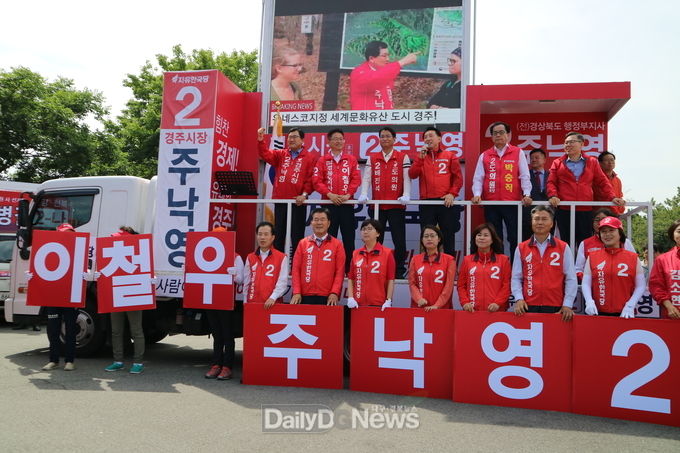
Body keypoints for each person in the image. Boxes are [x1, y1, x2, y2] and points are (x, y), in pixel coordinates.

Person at [547, 132, 625, 248]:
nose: (568, 145)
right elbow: (551, 182)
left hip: (586, 208)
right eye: (566, 143)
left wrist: (612, 197)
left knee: (585, 242)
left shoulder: (592, 162)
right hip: (564, 208)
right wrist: (553, 195)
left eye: (572, 142)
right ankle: (567, 266)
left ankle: (586, 266)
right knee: (565, 243)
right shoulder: (557, 163)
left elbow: (602, 182)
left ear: (582, 144)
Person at [471, 121, 532, 261]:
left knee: (515, 236)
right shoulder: (485, 155)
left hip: (512, 203)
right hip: (491, 203)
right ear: (491, 136)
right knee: (495, 237)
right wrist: (477, 195)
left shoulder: (517, 152)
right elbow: (478, 178)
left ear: (508, 135)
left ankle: (516, 267)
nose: (498, 135)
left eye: (501, 132)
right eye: (495, 133)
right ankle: (498, 266)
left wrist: (527, 194)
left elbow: (524, 175)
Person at [358, 126, 411, 278]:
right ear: (379, 139)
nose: (385, 139)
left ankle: (399, 270)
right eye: (382, 136)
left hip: (396, 206)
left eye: (388, 136)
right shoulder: (372, 157)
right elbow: (367, 178)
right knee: (375, 239)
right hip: (377, 206)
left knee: (399, 240)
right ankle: (374, 266)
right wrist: (363, 194)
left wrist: (406, 194)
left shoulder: (403, 157)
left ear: (395, 139)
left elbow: (406, 178)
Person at [257, 127, 318, 257]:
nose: (291, 139)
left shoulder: (310, 157)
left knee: (297, 236)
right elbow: (266, 154)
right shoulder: (281, 154)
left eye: (295, 137)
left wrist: (304, 195)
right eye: (289, 137)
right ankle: (278, 265)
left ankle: (297, 268)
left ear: (302, 140)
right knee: (279, 234)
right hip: (281, 201)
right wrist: (261, 141)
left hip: (298, 202)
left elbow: (311, 179)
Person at [512, 206, 577, 321]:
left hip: (556, 305)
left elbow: (571, 278)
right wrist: (519, 299)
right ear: (531, 222)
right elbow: (516, 277)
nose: (540, 222)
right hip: (528, 305)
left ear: (552, 223)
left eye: (544, 219)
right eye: (536, 219)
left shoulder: (563, 247)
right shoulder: (522, 247)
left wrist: (568, 304)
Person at [408, 126, 463, 257]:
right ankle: (425, 264)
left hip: (445, 202)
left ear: (439, 138)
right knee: (426, 236)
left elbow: (458, 178)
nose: (428, 139)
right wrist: (420, 158)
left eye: (430, 135)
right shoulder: (421, 157)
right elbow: (412, 174)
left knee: (448, 235)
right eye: (425, 137)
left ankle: (450, 267)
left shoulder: (450, 156)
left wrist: (452, 193)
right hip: (426, 202)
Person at [313, 128, 361, 273]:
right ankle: (328, 268)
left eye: (341, 138)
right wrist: (329, 194)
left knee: (348, 238)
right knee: (328, 238)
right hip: (329, 206)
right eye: (335, 139)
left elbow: (356, 179)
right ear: (329, 142)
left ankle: (349, 269)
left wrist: (348, 194)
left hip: (347, 204)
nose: (339, 141)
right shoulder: (322, 160)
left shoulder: (351, 159)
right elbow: (316, 181)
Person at [581, 217, 645, 318]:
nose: (607, 234)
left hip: (625, 314)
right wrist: (589, 301)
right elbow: (586, 283)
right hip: (597, 313)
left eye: (611, 230)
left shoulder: (632, 257)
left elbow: (641, 285)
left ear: (620, 233)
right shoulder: (592, 256)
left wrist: (630, 305)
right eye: (603, 231)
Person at [104, 227, 146, 374]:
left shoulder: (139, 252)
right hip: (116, 294)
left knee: (136, 330)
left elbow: (145, 269)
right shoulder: (114, 253)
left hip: (133, 294)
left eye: (118, 237)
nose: (114, 240)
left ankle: (138, 363)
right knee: (116, 331)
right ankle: (118, 361)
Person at [38, 223, 80, 371]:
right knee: (53, 330)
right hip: (53, 296)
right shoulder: (51, 250)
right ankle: (53, 360)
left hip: (70, 297)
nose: (66, 235)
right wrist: (33, 276)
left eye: (69, 233)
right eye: (64, 233)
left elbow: (85, 267)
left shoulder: (79, 250)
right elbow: (42, 268)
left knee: (70, 329)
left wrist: (86, 274)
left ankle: (70, 361)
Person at [204, 227, 244, 380]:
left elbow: (241, 280)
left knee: (227, 335)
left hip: (227, 301)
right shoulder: (206, 255)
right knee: (216, 335)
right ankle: (216, 365)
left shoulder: (235, 257)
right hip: (210, 299)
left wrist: (233, 274)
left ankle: (227, 367)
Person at [290, 207, 345, 305]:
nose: (319, 223)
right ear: (311, 223)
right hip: (304, 295)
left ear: (328, 223)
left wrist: (334, 292)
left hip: (327, 296)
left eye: (322, 219)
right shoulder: (303, 243)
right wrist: (297, 292)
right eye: (316, 219)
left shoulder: (337, 244)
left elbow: (340, 271)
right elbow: (295, 269)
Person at [349, 40, 418, 110]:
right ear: (371, 58)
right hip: (366, 119)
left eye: (388, 55)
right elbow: (375, 78)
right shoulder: (359, 72)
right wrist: (402, 62)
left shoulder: (385, 71)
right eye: (384, 56)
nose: (388, 59)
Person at [458, 223, 511, 313]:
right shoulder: (467, 260)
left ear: (492, 240)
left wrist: (497, 303)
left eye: (486, 235)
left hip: (497, 311)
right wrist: (465, 302)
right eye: (479, 235)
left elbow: (507, 285)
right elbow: (461, 285)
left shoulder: (503, 260)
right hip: (472, 312)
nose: (481, 238)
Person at [346, 219, 395, 310]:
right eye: (363, 229)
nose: (366, 232)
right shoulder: (356, 253)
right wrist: (351, 297)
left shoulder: (387, 253)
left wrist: (388, 300)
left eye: (369, 229)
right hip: (357, 304)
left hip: (379, 304)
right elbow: (351, 278)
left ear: (378, 233)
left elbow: (390, 279)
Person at [574, 208, 636, 278]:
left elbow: (635, 265)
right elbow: (578, 270)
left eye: (604, 219)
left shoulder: (624, 242)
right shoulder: (585, 243)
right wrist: (590, 280)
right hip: (595, 286)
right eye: (597, 220)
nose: (600, 223)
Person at [408, 225, 456, 311]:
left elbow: (448, 287)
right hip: (419, 308)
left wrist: (437, 305)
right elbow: (412, 283)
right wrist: (419, 299)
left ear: (439, 239)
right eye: (426, 236)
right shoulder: (415, 259)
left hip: (441, 309)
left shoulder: (449, 260)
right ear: (422, 240)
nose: (429, 239)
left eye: (432, 236)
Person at [243, 222, 289, 309]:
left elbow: (282, 282)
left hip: (273, 304)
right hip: (252, 303)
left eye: (266, 234)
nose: (262, 237)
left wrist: (273, 297)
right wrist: (245, 301)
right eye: (260, 234)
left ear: (272, 237)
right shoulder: (250, 257)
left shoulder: (281, 257)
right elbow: (246, 282)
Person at [649, 219, 680, 318]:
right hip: (671, 316)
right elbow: (656, 286)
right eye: (679, 231)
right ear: (673, 234)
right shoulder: (662, 260)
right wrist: (669, 306)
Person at [522, 148, 550, 241]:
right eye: (532, 158)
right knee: (527, 241)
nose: (533, 160)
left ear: (544, 160)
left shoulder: (551, 175)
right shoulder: (525, 175)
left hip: (548, 214)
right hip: (528, 215)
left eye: (537, 157)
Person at [597, 151, 625, 215]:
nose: (610, 162)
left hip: (615, 214)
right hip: (600, 214)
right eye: (606, 160)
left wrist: (621, 210)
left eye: (612, 160)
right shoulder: (596, 178)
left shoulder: (618, 180)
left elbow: (620, 196)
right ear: (600, 163)